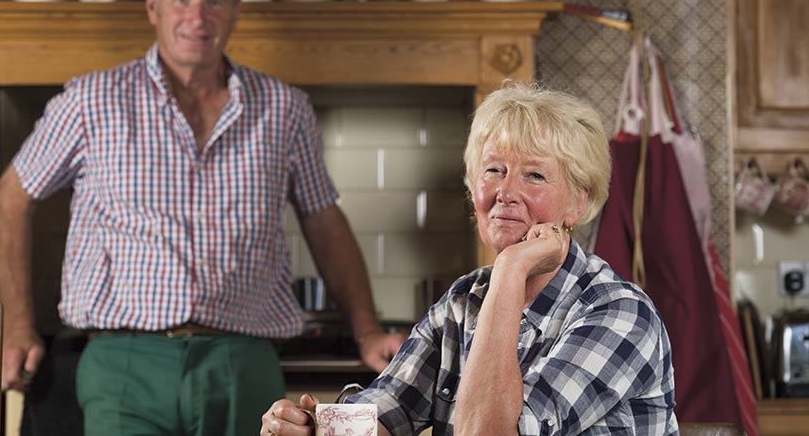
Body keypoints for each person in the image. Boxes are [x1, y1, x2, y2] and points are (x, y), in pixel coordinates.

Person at [0, 0, 404, 436]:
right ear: (153, 5)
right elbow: (11, 199)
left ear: (236, 11)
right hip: (123, 361)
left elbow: (324, 221)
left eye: (215, 2)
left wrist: (367, 330)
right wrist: (17, 325)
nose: (197, 18)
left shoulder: (284, 108)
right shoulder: (89, 101)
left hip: (243, 359)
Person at [260, 82, 679, 436]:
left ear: (577, 203)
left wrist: (511, 269)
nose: (505, 193)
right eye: (493, 170)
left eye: (534, 175)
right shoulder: (464, 301)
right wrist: (312, 426)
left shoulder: (620, 313)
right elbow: (386, 411)